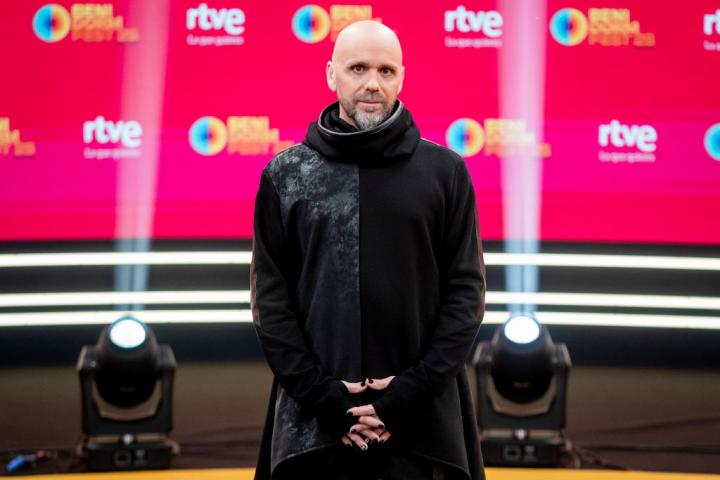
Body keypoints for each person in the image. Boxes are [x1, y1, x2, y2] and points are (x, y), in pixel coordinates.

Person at [250, 20, 486, 480]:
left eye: (386, 70)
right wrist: (326, 401)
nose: (373, 83)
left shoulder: (446, 173)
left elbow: (466, 295)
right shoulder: (285, 175)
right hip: (313, 428)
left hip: (422, 429)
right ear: (331, 74)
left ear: (402, 77)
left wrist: (406, 397)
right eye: (358, 68)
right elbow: (271, 306)